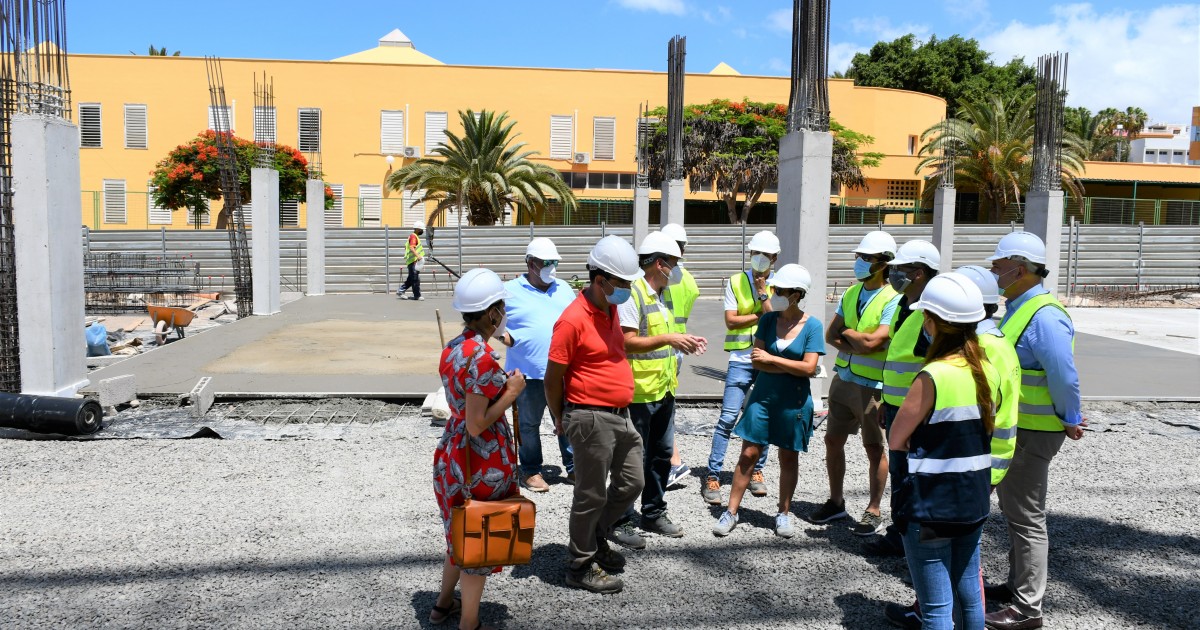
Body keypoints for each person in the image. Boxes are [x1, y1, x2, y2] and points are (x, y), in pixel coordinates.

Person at [983, 232, 1085, 630]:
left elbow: (1063, 374)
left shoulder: (1044, 315)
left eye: (998, 265)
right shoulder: (1020, 308)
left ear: (1020, 268)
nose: (994, 271)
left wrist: (1070, 417)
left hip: (1034, 429)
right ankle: (1016, 587)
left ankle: (1027, 609)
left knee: (1026, 517)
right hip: (1019, 426)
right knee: (1014, 512)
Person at [889, 272, 999, 630]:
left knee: (937, 610)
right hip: (973, 499)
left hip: (931, 503)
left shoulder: (932, 376)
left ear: (932, 322)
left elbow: (897, 439)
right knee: (970, 597)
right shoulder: (987, 369)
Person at [545, 235, 644, 595]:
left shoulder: (610, 309)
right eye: (623, 283)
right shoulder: (572, 320)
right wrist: (560, 418)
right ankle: (580, 564)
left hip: (620, 415)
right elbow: (552, 377)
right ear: (600, 280)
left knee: (633, 482)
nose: (627, 290)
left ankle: (597, 536)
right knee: (590, 495)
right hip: (589, 417)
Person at [431, 268, 526, 630]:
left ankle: (443, 605)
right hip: (479, 459)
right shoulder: (482, 358)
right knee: (478, 542)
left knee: (460, 532)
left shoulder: (454, 348)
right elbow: (477, 422)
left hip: (453, 451)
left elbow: (466, 413)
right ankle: (469, 622)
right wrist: (512, 392)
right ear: (491, 312)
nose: (504, 313)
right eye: (501, 307)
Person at [712, 264, 824, 538]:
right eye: (776, 288)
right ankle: (731, 511)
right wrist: (790, 366)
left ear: (797, 294)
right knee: (748, 454)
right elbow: (757, 361)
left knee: (788, 457)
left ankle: (783, 514)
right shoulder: (768, 320)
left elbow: (809, 368)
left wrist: (773, 360)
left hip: (794, 402)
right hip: (762, 398)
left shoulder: (813, 326)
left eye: (781, 290)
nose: (775, 293)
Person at [610, 231, 706, 549]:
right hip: (637, 392)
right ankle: (620, 519)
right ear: (660, 264)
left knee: (661, 456)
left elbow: (664, 339)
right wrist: (669, 339)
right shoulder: (632, 293)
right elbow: (626, 341)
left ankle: (652, 512)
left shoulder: (662, 294)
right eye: (674, 263)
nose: (678, 269)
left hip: (663, 389)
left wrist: (684, 342)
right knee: (631, 461)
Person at [815, 230, 900, 537]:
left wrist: (849, 334)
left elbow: (873, 342)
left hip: (872, 387)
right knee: (832, 441)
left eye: (867, 257)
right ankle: (836, 502)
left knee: (874, 448)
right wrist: (858, 342)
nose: (860, 262)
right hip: (844, 379)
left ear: (884, 263)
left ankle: (874, 509)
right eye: (859, 256)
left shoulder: (894, 298)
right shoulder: (851, 293)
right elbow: (830, 335)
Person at [869, 239, 941, 562]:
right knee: (901, 475)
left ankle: (913, 544)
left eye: (900, 269)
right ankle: (900, 536)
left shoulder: (931, 312)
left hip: (917, 412)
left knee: (914, 477)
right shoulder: (903, 305)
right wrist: (887, 401)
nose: (893, 273)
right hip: (897, 406)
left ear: (919, 273)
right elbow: (899, 360)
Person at [703, 230, 780, 505]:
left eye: (765, 255)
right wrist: (760, 314)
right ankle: (713, 475)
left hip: (767, 359)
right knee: (727, 418)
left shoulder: (780, 284)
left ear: (774, 258)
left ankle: (757, 471)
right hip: (740, 360)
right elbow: (731, 321)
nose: (759, 259)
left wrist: (762, 293)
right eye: (755, 253)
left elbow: (777, 319)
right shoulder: (736, 281)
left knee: (762, 418)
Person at [500, 237, 576, 493]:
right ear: (531, 263)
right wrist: (504, 337)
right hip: (527, 373)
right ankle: (531, 470)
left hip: (563, 370)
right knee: (528, 424)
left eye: (555, 262)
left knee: (567, 419)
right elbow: (491, 319)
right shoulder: (509, 290)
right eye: (546, 262)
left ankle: (574, 467)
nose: (551, 267)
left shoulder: (564, 288)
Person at [660, 222, 700, 488]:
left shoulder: (666, 277)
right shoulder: (689, 280)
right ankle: (671, 461)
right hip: (679, 346)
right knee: (664, 403)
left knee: (658, 406)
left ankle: (673, 462)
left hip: (661, 346)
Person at [397, 220, 426, 301]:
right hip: (413, 261)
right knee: (415, 279)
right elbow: (411, 248)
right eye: (421, 230)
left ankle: (401, 291)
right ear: (418, 229)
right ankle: (417, 295)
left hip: (414, 262)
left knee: (411, 279)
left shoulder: (414, 236)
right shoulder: (413, 237)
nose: (422, 231)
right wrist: (418, 256)